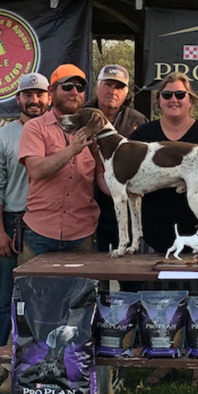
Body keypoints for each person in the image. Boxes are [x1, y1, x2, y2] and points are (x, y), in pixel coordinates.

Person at [131, 71, 198, 388]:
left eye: (180, 95)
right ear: (158, 100)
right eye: (167, 95)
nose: (174, 100)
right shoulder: (143, 133)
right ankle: (162, 361)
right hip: (157, 229)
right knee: (161, 300)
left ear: (191, 100)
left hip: (197, 229)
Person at [0, 72, 50, 390]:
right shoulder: (1, 137)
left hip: (49, 221)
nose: (34, 100)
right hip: (14, 220)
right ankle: (3, 360)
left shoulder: (59, 133)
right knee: (7, 296)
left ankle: (40, 357)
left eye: (39, 94)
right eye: (28, 94)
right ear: (18, 99)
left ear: (48, 97)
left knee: (41, 296)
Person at [18, 64, 107, 262]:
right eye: (67, 86)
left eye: (79, 87)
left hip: (82, 232)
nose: (74, 92)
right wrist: (72, 150)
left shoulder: (96, 130)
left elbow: (104, 181)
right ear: (51, 91)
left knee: (83, 293)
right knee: (34, 293)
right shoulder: (35, 128)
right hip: (40, 232)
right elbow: (36, 170)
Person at [86, 64, 148, 253]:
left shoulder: (138, 121)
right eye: (108, 85)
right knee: (94, 275)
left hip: (128, 206)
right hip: (89, 207)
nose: (112, 91)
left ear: (126, 92)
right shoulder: (84, 116)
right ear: (97, 87)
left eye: (119, 87)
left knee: (130, 275)